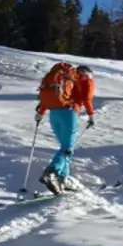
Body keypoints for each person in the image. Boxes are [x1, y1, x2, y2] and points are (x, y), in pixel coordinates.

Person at [35, 63, 96, 194]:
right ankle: (51, 173)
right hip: (69, 113)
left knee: (66, 147)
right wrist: (91, 116)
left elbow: (49, 99)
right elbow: (86, 98)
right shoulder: (86, 80)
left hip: (54, 114)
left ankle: (63, 179)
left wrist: (40, 112)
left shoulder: (64, 79)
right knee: (67, 148)